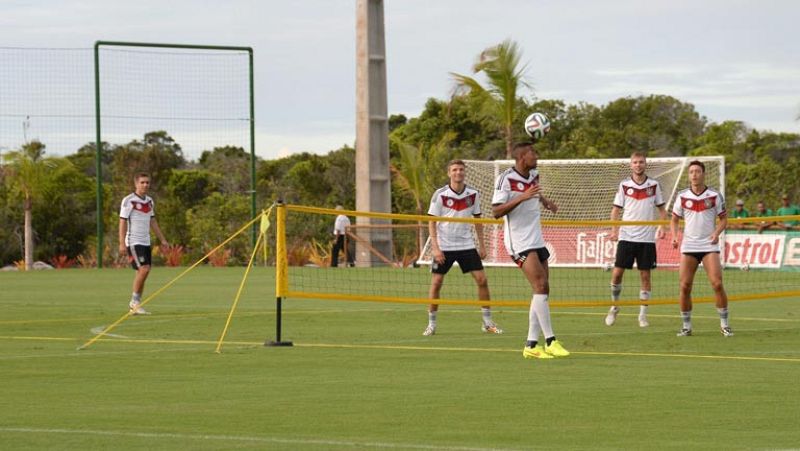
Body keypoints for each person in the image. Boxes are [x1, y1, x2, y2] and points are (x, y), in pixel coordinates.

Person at [492, 142, 569, 359]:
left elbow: (533, 192)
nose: (536, 156)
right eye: (532, 153)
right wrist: (522, 197)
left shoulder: (534, 174)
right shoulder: (506, 179)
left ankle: (531, 345)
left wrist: (545, 201)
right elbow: (496, 211)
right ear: (521, 157)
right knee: (540, 285)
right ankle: (551, 340)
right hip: (518, 241)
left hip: (536, 237)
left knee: (542, 290)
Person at [424, 159, 501, 336]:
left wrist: (482, 245)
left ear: (464, 172)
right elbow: (431, 222)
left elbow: (478, 221)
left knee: (482, 280)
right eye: (454, 170)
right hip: (444, 246)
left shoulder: (473, 194)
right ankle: (431, 324)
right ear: (449, 173)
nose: (458, 173)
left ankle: (488, 323)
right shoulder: (440, 194)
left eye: (461, 170)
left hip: (466, 244)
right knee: (436, 283)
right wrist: (435, 248)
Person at [670, 160, 732, 337]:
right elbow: (674, 219)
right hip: (689, 246)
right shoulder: (682, 196)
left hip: (708, 246)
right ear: (689, 175)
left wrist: (716, 233)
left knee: (717, 284)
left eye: (697, 171)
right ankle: (686, 326)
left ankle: (724, 324)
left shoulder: (714, 195)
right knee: (684, 286)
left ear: (703, 174)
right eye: (691, 172)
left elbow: (724, 219)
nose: (694, 175)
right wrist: (674, 236)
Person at [605, 151, 667, 328]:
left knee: (645, 276)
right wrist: (614, 230)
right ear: (630, 165)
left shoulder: (654, 185)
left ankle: (642, 315)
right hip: (627, 237)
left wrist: (663, 227)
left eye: (641, 162)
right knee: (617, 274)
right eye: (635, 162)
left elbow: (662, 210)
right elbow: (615, 211)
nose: (638, 165)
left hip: (647, 239)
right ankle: (615, 307)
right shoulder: (624, 185)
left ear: (645, 164)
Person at [119, 172, 169, 315]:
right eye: (142, 182)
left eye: (147, 182)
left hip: (146, 241)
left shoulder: (149, 201)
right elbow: (122, 221)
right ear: (136, 184)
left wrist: (163, 240)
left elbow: (152, 221)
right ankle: (134, 303)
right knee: (144, 269)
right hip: (134, 241)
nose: (145, 185)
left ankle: (136, 305)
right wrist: (121, 243)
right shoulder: (129, 200)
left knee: (143, 272)